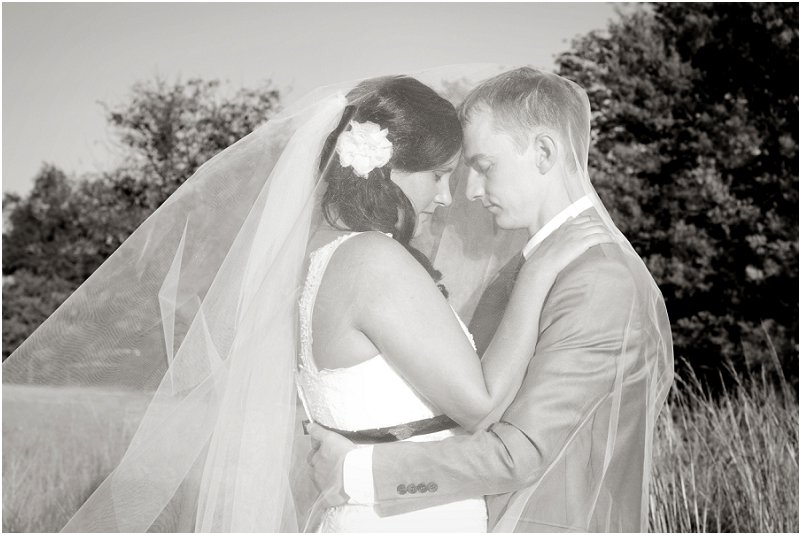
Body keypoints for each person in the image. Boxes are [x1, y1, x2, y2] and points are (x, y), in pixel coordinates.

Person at [1, 66, 608, 533]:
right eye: (439, 175)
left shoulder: (323, 257)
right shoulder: (373, 261)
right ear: (391, 168)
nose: (449, 197)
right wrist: (538, 273)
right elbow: (479, 405)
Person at [307, 67, 675, 532]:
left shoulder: (598, 277)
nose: (470, 191)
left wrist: (358, 471)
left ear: (543, 152)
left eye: (484, 166)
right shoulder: (522, 269)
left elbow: (521, 452)